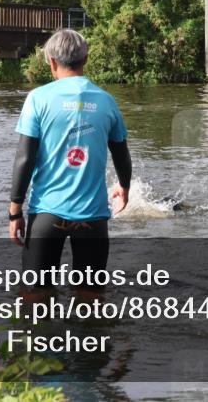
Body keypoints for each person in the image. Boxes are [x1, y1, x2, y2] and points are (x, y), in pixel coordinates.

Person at [8, 29, 132, 295]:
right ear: (85, 59)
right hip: (92, 217)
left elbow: (25, 158)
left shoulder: (38, 98)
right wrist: (124, 187)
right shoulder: (106, 101)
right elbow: (121, 153)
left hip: (47, 214)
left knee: (35, 296)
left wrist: (15, 211)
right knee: (91, 297)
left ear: (52, 62)